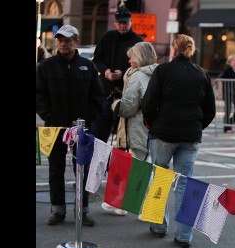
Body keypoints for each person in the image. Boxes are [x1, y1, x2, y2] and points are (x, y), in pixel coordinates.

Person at [141, 34, 216, 248]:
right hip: (190, 134)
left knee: (161, 178)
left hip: (163, 131)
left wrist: (150, 122)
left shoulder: (163, 71)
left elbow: (149, 101)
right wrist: (197, 125)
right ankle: (184, 235)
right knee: (186, 182)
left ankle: (158, 225)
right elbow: (210, 108)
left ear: (174, 49)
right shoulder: (201, 73)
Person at [36, 24, 104, 226]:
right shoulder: (46, 66)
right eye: (60, 40)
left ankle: (82, 210)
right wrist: (49, 115)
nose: (63, 43)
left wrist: (89, 118)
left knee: (82, 169)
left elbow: (97, 96)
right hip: (54, 127)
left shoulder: (88, 66)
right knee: (55, 169)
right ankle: (58, 210)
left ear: (76, 41)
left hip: (81, 128)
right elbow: (39, 96)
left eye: (67, 40)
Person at [91, 4, 143, 143]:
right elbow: (97, 59)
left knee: (125, 136)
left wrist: (124, 73)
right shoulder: (108, 37)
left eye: (125, 23)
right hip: (106, 91)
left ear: (131, 22)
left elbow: (142, 66)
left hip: (128, 92)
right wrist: (106, 71)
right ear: (115, 23)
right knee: (99, 133)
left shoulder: (138, 41)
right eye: (119, 23)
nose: (122, 26)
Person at [111, 42, 158, 161]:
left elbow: (127, 108)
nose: (129, 61)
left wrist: (115, 104)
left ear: (139, 58)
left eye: (131, 58)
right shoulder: (157, 73)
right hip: (151, 129)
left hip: (136, 130)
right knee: (148, 168)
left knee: (136, 172)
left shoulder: (138, 76)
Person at [217, 54, 235, 133]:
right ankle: (226, 128)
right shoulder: (227, 69)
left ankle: (229, 124)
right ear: (230, 61)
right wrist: (220, 94)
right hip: (228, 92)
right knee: (228, 110)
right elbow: (220, 80)